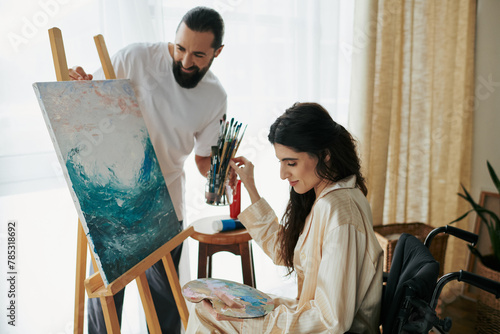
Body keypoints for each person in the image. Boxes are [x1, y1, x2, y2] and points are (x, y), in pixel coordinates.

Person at [69, 6, 227, 333]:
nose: (185, 61)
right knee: (106, 300)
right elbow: (92, 103)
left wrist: (220, 173)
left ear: (217, 52)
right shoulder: (135, 58)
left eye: (198, 54)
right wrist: (82, 89)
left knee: (165, 300)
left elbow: (202, 158)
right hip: (112, 197)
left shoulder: (215, 95)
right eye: (180, 48)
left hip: (165, 204)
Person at [186, 102, 384, 333]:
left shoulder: (339, 212)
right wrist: (250, 186)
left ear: (325, 155)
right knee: (208, 307)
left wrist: (251, 321)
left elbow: (331, 321)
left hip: (321, 326)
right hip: (310, 317)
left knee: (209, 315)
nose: (282, 174)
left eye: (291, 163)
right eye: (281, 162)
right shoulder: (325, 199)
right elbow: (286, 252)